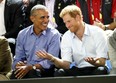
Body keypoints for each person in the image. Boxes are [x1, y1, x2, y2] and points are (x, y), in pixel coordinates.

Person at [36, 5, 109, 76]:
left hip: (96, 68)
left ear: (77, 17)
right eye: (65, 23)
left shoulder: (98, 32)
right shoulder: (66, 36)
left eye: (69, 21)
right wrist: (52, 58)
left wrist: (94, 62)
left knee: (101, 71)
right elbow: (66, 65)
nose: (67, 26)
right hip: (79, 69)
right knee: (59, 72)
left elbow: (102, 62)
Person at [10, 4, 61, 79]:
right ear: (32, 18)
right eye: (42, 17)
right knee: (15, 75)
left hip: (45, 71)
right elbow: (18, 57)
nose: (46, 20)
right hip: (27, 68)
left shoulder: (54, 34)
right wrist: (18, 64)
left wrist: (32, 67)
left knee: (32, 73)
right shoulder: (22, 34)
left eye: (47, 17)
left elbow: (50, 62)